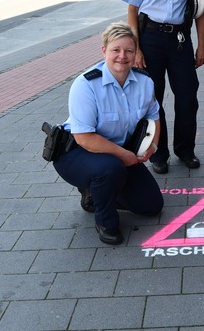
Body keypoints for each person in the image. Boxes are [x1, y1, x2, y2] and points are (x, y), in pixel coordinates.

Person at [53, 22, 164, 245]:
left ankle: (99, 191)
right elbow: (84, 138)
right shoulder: (86, 84)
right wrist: (124, 156)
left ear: (135, 53)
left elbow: (154, 115)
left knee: (151, 205)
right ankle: (106, 221)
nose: (122, 56)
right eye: (116, 50)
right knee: (109, 169)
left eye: (129, 50)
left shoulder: (144, 82)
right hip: (75, 152)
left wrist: (152, 147)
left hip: (116, 153)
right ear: (104, 51)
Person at [121, 0, 204, 175]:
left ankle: (185, 149)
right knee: (153, 98)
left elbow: (199, 10)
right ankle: (158, 153)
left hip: (180, 39)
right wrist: (136, 48)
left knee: (187, 97)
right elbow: (133, 10)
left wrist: (201, 45)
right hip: (151, 39)